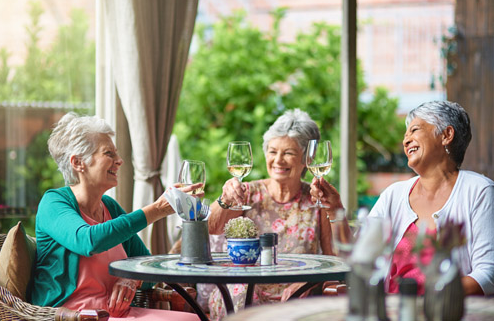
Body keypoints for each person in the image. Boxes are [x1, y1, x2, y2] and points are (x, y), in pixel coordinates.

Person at [311, 100, 494, 296]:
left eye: (414, 130)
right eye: (405, 134)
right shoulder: (394, 194)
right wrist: (335, 209)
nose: (406, 140)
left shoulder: (479, 191)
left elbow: (487, 274)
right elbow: (358, 258)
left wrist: (429, 301)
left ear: (446, 135)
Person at [29, 112, 201, 320]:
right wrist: (157, 209)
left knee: (192, 318)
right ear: (78, 162)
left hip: (120, 313)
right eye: (109, 153)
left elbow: (147, 262)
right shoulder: (54, 203)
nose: (119, 161)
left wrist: (131, 279)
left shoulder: (109, 207)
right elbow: (88, 241)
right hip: (76, 315)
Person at [206, 108, 335, 320]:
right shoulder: (246, 193)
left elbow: (333, 259)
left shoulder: (316, 200)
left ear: (306, 160)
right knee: (239, 293)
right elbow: (210, 228)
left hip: (298, 293)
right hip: (246, 290)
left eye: (289, 153)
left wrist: (306, 284)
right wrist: (224, 200)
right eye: (273, 151)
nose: (278, 160)